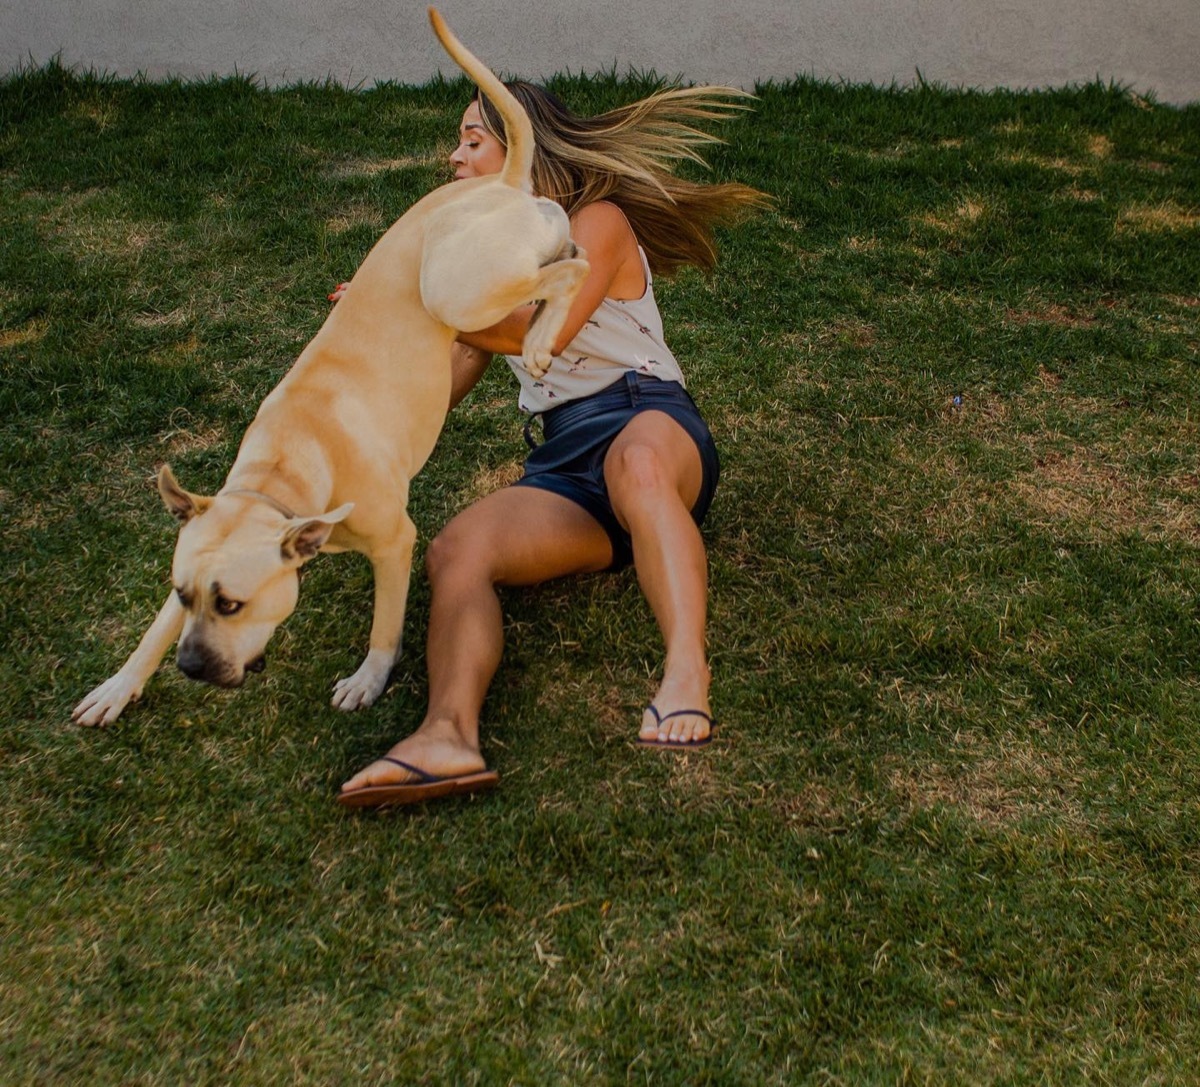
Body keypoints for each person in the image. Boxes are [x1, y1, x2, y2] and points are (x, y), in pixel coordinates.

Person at [337, 80, 765, 807]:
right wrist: (384, 337)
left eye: (472, 140)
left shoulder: (598, 222)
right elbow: (449, 379)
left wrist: (424, 303)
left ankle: (686, 673)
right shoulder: (491, 266)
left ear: (522, 149)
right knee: (456, 551)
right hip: (566, 464)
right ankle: (446, 735)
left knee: (638, 466)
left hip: (646, 420)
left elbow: (542, 334)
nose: (453, 156)